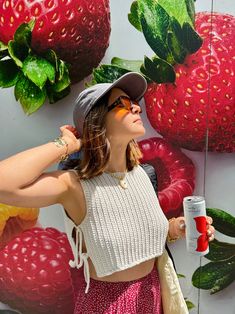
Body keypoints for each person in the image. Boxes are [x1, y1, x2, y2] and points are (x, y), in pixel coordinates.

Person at [0, 72, 215, 313]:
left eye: (135, 103)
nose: (136, 109)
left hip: (153, 295)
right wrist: (68, 145)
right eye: (123, 104)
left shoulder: (142, 174)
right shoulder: (74, 185)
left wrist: (179, 226)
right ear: (98, 120)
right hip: (109, 305)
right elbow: (3, 184)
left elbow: (143, 234)